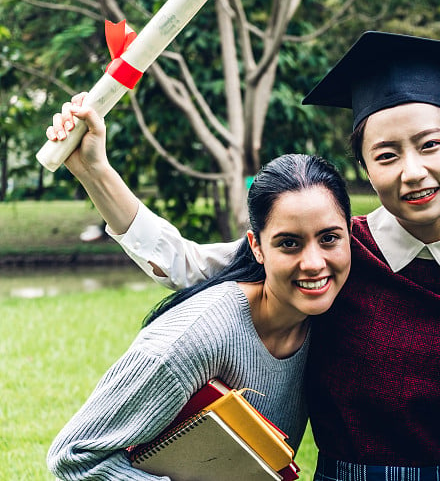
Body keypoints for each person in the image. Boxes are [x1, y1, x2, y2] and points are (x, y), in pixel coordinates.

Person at [46, 32, 440, 481]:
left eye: (430, 145)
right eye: (387, 155)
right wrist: (96, 170)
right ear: (366, 169)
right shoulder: (337, 249)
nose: (412, 172)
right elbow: (185, 262)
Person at [47, 153, 353, 480]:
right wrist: (91, 167)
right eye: (289, 243)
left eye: (329, 238)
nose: (313, 263)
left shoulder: (327, 306)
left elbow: (182, 259)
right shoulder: (196, 339)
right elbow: (71, 455)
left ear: (350, 235)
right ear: (257, 248)